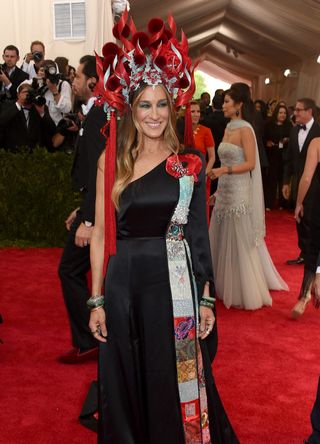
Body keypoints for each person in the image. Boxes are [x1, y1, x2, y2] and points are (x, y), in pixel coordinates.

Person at [88, 12, 239, 443]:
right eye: (144, 105)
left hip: (172, 284)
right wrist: (96, 299)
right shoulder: (111, 161)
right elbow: (100, 234)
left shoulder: (187, 163)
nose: (154, 115)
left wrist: (206, 297)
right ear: (131, 110)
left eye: (161, 104)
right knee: (126, 373)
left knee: (176, 373)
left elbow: (198, 234)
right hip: (122, 284)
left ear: (172, 106)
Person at [208, 84, 288, 310]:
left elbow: (251, 164)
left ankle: (245, 288)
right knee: (222, 238)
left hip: (240, 189)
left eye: (226, 102)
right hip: (225, 190)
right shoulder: (229, 126)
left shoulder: (245, 129)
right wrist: (218, 189)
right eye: (223, 101)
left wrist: (224, 172)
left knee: (240, 239)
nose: (222, 105)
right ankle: (224, 283)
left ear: (239, 105)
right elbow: (225, 160)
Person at [57, 55, 106, 364]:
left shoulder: (101, 114)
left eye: (77, 76)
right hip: (92, 205)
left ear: (92, 81)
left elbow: (101, 171)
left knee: (69, 269)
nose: (72, 81)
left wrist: (89, 219)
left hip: (97, 213)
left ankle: (90, 339)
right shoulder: (97, 112)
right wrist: (83, 207)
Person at [283, 98, 320, 265]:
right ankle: (305, 253)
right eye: (295, 109)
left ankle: (311, 254)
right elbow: (289, 159)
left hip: (316, 182)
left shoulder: (318, 132)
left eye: (299, 110)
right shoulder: (293, 130)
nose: (295, 113)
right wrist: (285, 182)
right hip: (298, 180)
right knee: (300, 218)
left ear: (309, 111)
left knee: (311, 218)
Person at [293, 137, 320, 317]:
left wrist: (299, 202)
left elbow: (307, 177)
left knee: (314, 246)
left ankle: (304, 296)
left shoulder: (317, 143)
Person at [0, 82, 55, 151]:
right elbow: (2, 121)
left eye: (30, 92)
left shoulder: (39, 106)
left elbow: (52, 129)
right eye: (25, 92)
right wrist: (19, 104)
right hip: (13, 153)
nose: (28, 94)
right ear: (18, 95)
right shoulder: (9, 106)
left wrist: (42, 113)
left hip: (35, 153)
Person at [190, 100, 215, 221]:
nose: (196, 114)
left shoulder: (206, 131)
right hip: (184, 175)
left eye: (198, 111)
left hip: (202, 176)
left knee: (201, 209)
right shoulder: (181, 130)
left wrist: (205, 173)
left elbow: (212, 157)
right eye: (192, 111)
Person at [264, 103, 292, 210]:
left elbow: (292, 141)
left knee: (282, 180)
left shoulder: (289, 126)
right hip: (271, 155)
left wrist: (287, 140)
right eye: (280, 113)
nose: (283, 115)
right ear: (276, 113)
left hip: (284, 156)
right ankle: (269, 203)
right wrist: (267, 143)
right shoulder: (269, 125)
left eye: (285, 113)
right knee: (271, 180)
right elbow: (264, 139)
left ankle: (282, 203)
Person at [42, 59, 72, 125]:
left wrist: (54, 90)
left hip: (57, 128)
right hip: (41, 127)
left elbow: (67, 109)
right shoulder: (39, 83)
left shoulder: (63, 85)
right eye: (43, 71)